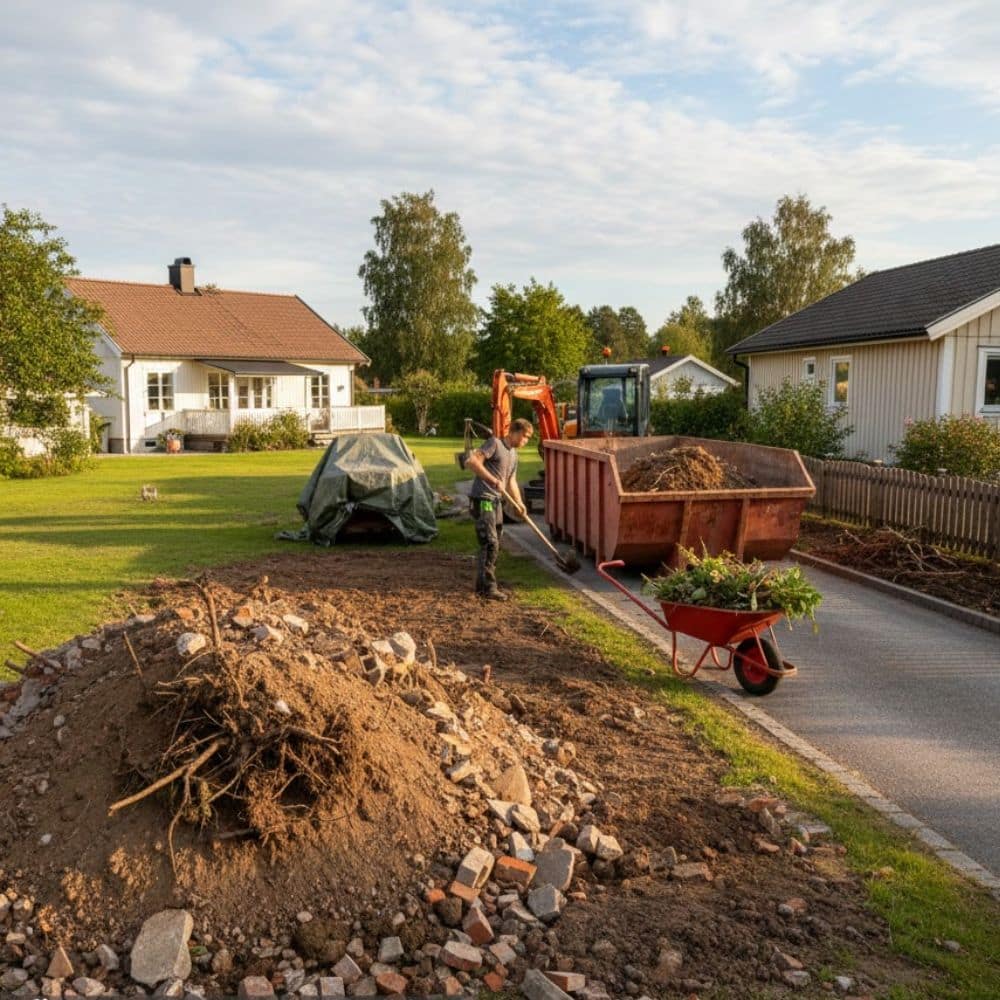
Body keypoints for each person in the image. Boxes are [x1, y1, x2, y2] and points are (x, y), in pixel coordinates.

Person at [465, 418, 534, 600]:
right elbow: (472, 462)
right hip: (483, 499)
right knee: (490, 542)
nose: (526, 441)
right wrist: (492, 480)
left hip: (496, 502)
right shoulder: (494, 444)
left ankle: (483, 584)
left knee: (494, 543)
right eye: (525, 436)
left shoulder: (514, 455)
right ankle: (488, 587)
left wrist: (519, 503)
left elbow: (511, 481)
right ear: (515, 432)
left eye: (528, 438)